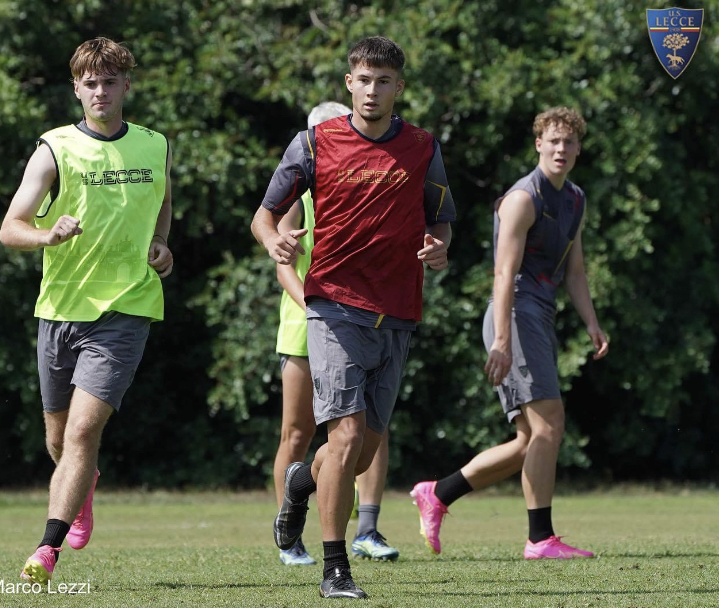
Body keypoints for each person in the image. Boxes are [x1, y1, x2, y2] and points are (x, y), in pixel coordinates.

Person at [252, 37, 456, 599]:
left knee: (362, 452)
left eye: (383, 81)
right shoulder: (314, 143)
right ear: (349, 83)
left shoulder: (422, 147)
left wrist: (438, 246)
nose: (372, 90)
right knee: (343, 438)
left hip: (398, 312)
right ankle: (335, 570)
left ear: (399, 87)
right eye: (364, 80)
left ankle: (300, 482)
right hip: (333, 306)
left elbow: (440, 218)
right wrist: (273, 241)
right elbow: (264, 215)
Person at [0, 37, 174, 584]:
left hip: (127, 307)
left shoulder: (154, 145)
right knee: (58, 439)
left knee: (80, 432)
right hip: (60, 309)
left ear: (127, 86)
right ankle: (83, 487)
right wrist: (47, 235)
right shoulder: (54, 148)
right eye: (90, 83)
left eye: (110, 82)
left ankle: (46, 549)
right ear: (76, 88)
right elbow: (10, 228)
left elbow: (163, 201)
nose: (101, 92)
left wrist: (161, 243)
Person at [411, 106, 608, 560]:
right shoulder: (523, 198)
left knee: (527, 441)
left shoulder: (575, 199)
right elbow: (503, 273)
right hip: (515, 315)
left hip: (539, 316)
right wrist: (501, 339)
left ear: (578, 148)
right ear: (538, 144)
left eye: (569, 142)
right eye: (553, 140)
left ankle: (437, 493)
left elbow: (575, 271)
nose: (561, 149)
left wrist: (592, 323)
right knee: (550, 424)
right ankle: (540, 539)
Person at [274, 102, 399, 567]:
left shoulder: (368, 185)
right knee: (299, 431)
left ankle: (366, 527)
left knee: (364, 431)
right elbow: (283, 263)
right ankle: (291, 533)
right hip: (306, 321)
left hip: (360, 320)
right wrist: (311, 307)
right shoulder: (297, 195)